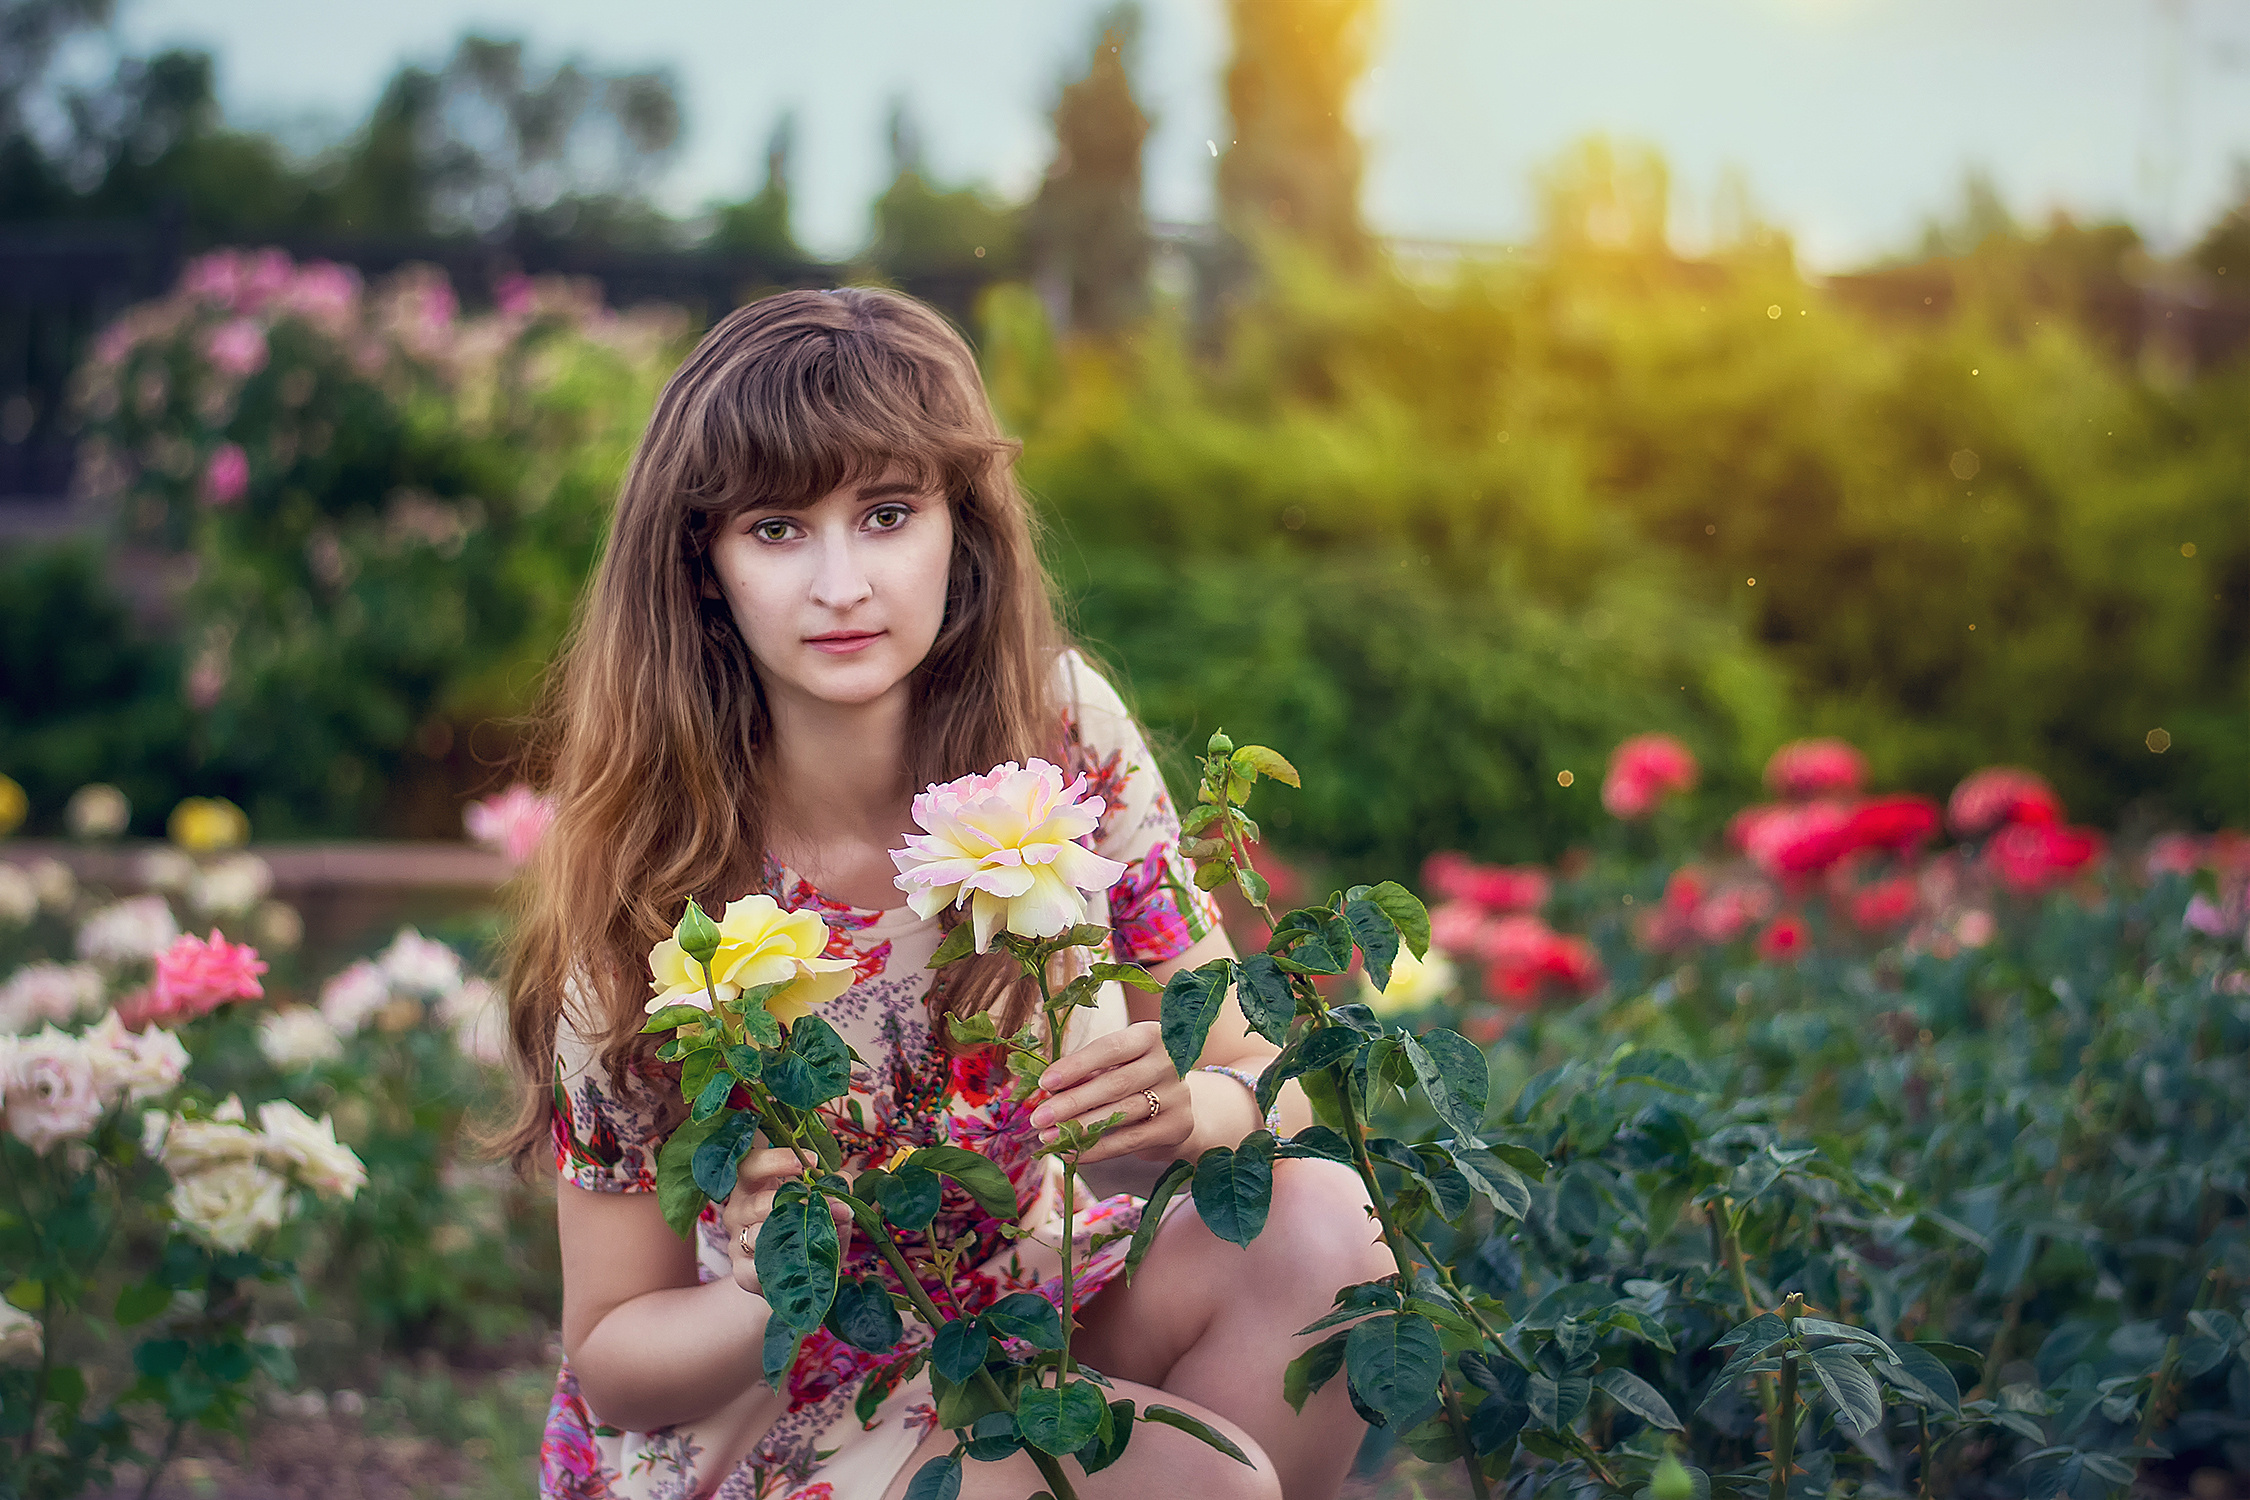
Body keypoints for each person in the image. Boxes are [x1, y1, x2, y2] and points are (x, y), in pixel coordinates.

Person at [500, 287, 1390, 1500]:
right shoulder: (657, 881)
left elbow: (1254, 1068)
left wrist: (1193, 1111)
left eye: (886, 514)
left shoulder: (1059, 737)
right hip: (780, 1417)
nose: (842, 585)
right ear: (703, 565)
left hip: (1021, 1310)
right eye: (776, 529)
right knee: (1205, 1482)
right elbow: (612, 1360)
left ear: (959, 528)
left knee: (1324, 1226)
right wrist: (778, 1284)